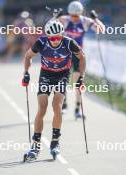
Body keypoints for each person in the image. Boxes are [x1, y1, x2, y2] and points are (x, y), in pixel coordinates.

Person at [22, 20, 86, 161]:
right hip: (46, 75)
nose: (55, 40)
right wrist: (26, 73)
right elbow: (28, 56)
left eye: (58, 37)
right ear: (47, 36)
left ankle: (55, 142)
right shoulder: (42, 42)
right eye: (52, 38)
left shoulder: (69, 43)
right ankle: (36, 144)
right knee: (42, 108)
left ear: (62, 35)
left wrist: (81, 76)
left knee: (57, 107)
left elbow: (82, 57)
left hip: (62, 76)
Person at [56, 0, 105, 118]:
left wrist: (96, 19)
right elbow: (49, 27)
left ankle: (77, 109)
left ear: (81, 13)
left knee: (78, 83)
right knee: (63, 82)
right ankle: (64, 105)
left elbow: (101, 30)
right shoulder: (64, 19)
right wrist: (55, 17)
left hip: (78, 55)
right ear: (69, 13)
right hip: (65, 54)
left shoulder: (85, 21)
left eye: (76, 15)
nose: (74, 18)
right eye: (72, 15)